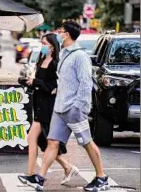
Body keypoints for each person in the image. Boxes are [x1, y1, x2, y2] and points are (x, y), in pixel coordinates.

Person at [27, 21, 108, 191]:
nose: (58, 33)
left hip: (74, 108)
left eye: (60, 31)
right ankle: (40, 178)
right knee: (52, 142)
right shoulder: (63, 53)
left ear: (67, 34)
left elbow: (86, 84)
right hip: (59, 107)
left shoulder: (80, 56)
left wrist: (79, 107)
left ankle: (101, 177)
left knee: (87, 142)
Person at [17, 33, 79, 186]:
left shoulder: (56, 63)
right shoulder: (41, 59)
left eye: (44, 43)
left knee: (36, 139)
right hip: (39, 104)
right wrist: (29, 82)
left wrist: (36, 82)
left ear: (51, 45)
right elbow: (40, 83)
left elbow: (53, 88)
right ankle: (67, 167)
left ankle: (32, 174)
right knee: (44, 143)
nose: (42, 45)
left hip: (49, 106)